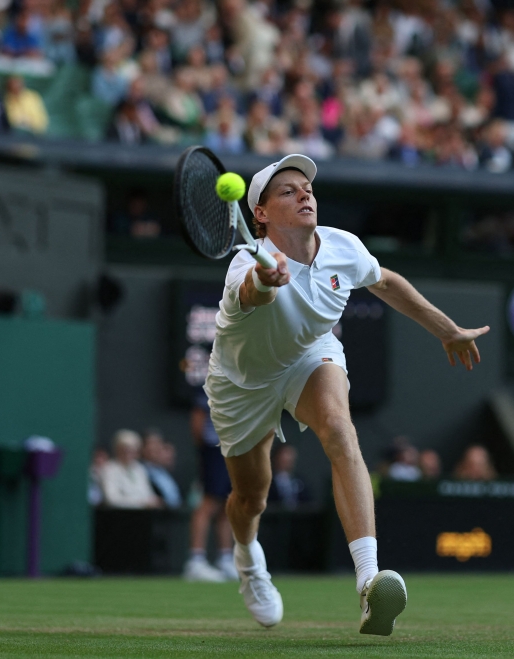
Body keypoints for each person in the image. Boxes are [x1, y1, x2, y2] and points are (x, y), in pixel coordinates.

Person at [205, 154, 489, 633]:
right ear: (260, 213)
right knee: (251, 498)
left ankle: (369, 582)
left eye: (307, 188)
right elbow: (253, 294)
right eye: (288, 191)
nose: (305, 195)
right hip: (242, 382)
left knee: (339, 429)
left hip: (309, 353)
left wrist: (446, 329)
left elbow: (387, 283)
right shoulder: (243, 268)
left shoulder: (343, 247)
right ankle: (249, 560)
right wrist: (266, 281)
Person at [185, 390, 237, 583]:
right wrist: (206, 449)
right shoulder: (211, 382)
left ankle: (225, 559)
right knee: (209, 503)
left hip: (231, 449)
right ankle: (195, 561)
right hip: (214, 449)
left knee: (226, 505)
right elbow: (198, 421)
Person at [100, 429, 161, 509]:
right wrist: (141, 503)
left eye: (133, 450)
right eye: (125, 450)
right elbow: (112, 500)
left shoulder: (139, 469)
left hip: (143, 516)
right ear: (117, 450)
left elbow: (148, 494)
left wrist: (153, 501)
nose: (129, 454)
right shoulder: (108, 469)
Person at [142, 429, 182, 509]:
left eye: (158, 443)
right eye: (151, 443)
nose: (155, 447)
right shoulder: (140, 470)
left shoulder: (165, 471)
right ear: (143, 447)